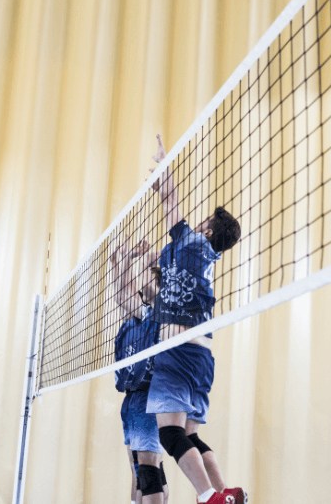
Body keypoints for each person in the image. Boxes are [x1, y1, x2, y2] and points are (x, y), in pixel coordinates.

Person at [145, 135, 244, 504]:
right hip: (203, 357)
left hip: (179, 351)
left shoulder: (191, 244)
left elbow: (171, 203)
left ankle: (208, 497)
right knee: (189, 435)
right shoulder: (204, 259)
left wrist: (164, 166)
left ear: (207, 230)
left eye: (202, 220)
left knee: (170, 436)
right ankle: (225, 491)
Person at [109, 238, 168, 504]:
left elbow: (139, 286)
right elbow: (122, 293)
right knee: (139, 471)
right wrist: (119, 260)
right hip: (132, 400)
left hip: (150, 397)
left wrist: (140, 258)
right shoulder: (137, 317)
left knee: (147, 472)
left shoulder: (160, 313)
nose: (141, 288)